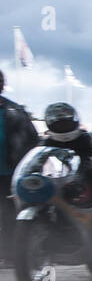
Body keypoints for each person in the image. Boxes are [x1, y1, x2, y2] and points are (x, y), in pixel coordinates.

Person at [36, 103, 92, 270]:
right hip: (61, 184)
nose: (63, 126)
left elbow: (90, 161)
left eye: (66, 122)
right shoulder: (46, 142)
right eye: (59, 123)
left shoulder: (85, 138)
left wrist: (77, 179)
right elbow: (37, 161)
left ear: (74, 120)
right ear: (51, 124)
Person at [1, 69, 39, 265]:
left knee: (9, 214)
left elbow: (33, 140)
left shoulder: (15, 111)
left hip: (10, 172)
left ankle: (10, 255)